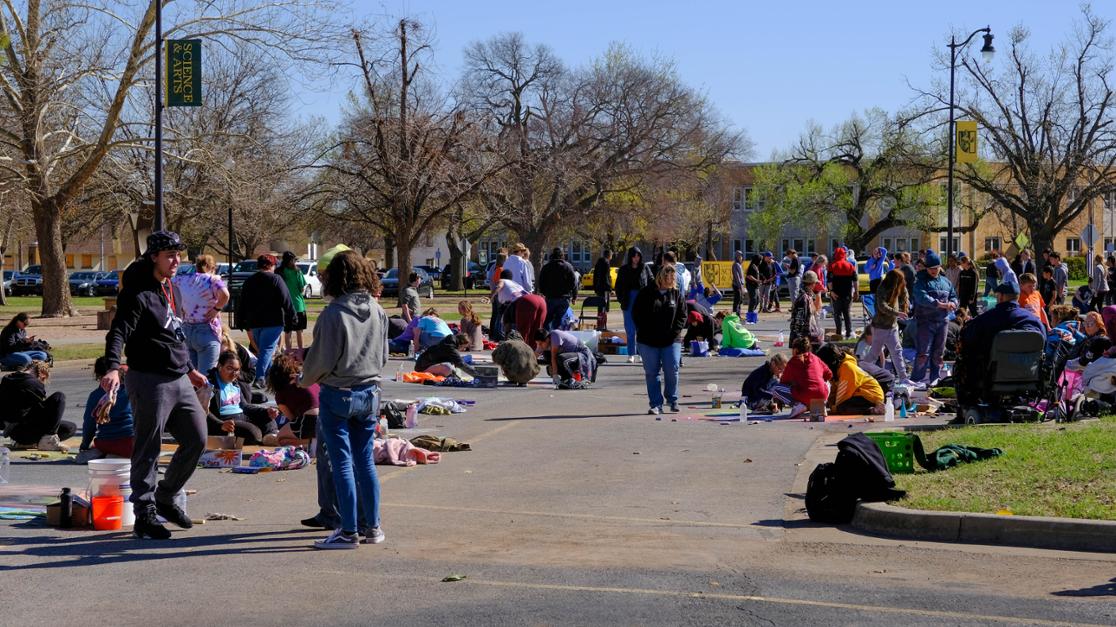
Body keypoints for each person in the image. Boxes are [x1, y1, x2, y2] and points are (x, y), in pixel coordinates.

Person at [102, 230, 208, 539]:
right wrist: (111, 367)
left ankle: (165, 496)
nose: (176, 261)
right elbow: (117, 332)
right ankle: (144, 514)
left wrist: (190, 369)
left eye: (179, 255)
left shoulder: (169, 288)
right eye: (169, 256)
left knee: (197, 439)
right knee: (149, 448)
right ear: (154, 257)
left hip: (178, 377)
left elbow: (173, 334)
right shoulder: (137, 294)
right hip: (150, 380)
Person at [300, 250, 388, 549]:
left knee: (342, 464)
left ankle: (348, 531)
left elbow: (321, 360)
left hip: (339, 393)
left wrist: (305, 379)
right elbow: (384, 355)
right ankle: (372, 527)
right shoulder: (377, 309)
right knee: (365, 462)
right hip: (370, 391)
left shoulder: (333, 313)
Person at [956, 282, 1044, 409]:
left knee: (964, 361)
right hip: (1029, 374)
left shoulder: (985, 319)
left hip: (991, 375)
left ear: (1001, 297)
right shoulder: (1034, 321)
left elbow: (966, 339)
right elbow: (1043, 345)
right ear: (1017, 297)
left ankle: (967, 406)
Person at [632, 265, 687, 414]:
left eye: (671, 278)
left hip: (671, 340)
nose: (669, 280)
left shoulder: (676, 295)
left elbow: (682, 316)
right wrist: (642, 330)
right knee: (652, 372)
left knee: (672, 368)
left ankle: (672, 398)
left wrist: (675, 332)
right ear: (660, 277)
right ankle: (656, 404)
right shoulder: (646, 293)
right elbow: (636, 313)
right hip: (648, 340)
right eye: (666, 277)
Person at [236, 254, 296, 386]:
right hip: (273, 321)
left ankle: (269, 377)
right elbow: (286, 300)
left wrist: (240, 319)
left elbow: (242, 302)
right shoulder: (276, 279)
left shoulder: (250, 280)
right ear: (271, 265)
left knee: (264, 351)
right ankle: (260, 377)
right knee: (267, 350)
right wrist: (292, 316)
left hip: (255, 322)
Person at [204, 351, 280, 446]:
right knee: (252, 432)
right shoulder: (209, 384)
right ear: (220, 366)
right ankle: (263, 438)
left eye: (237, 370)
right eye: (229, 368)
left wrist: (266, 411)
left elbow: (244, 406)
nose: (234, 373)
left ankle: (271, 437)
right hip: (225, 421)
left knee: (267, 418)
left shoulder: (235, 383)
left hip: (242, 416)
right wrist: (220, 425)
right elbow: (203, 410)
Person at [172, 255, 230, 374]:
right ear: (212, 267)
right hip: (207, 330)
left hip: (187, 329)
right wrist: (216, 309)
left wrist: (181, 307)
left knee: (191, 377)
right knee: (207, 378)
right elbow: (225, 295)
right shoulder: (213, 279)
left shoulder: (180, 280)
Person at [0, 360, 72, 451]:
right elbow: (44, 411)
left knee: (67, 426)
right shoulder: (34, 384)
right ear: (42, 374)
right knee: (59, 397)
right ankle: (48, 440)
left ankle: (27, 443)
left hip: (14, 434)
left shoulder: (6, 379)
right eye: (43, 380)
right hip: (27, 432)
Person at [911, 251, 958, 386]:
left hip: (942, 322)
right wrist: (941, 304)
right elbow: (922, 298)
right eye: (931, 268)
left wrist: (954, 303)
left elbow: (953, 296)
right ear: (926, 268)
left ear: (940, 267)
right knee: (923, 354)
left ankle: (935, 379)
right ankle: (916, 381)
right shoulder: (920, 282)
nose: (933, 271)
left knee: (938, 353)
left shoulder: (946, 282)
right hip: (925, 322)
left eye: (936, 268)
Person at [76, 358, 135, 463]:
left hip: (105, 443)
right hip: (131, 443)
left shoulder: (95, 395)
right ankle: (121, 456)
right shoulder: (131, 390)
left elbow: (89, 425)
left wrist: (84, 445)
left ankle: (107, 455)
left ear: (98, 376)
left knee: (90, 452)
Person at [864, 270, 910, 384]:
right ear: (894, 281)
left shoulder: (897, 288)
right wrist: (897, 313)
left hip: (892, 326)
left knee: (897, 352)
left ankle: (904, 378)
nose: (901, 283)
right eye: (899, 281)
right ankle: (861, 371)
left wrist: (905, 294)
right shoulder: (882, 289)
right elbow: (882, 306)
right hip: (881, 326)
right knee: (874, 353)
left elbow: (904, 294)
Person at [817, 344, 885, 415]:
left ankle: (874, 409)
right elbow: (834, 390)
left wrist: (834, 408)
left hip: (870, 395)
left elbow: (843, 393)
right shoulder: (838, 369)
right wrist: (829, 403)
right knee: (838, 406)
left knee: (842, 407)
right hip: (859, 394)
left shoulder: (847, 367)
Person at [267, 353, 318, 445]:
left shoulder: (281, 393)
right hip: (327, 418)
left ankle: (309, 441)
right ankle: (315, 439)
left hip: (310, 420)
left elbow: (292, 418)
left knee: (280, 439)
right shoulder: (308, 380)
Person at [614, 247, 654, 362]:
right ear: (630, 257)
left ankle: (641, 353)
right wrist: (621, 299)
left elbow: (651, 281)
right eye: (634, 256)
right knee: (630, 328)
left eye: (638, 256)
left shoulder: (645, 267)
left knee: (641, 328)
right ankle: (631, 354)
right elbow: (618, 286)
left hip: (642, 300)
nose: (636, 259)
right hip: (628, 300)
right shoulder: (624, 269)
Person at [492, 272, 547, 350]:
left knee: (522, 333)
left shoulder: (502, 280)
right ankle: (533, 354)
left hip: (525, 302)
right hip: (540, 300)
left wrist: (491, 296)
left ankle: (518, 354)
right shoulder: (515, 284)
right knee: (536, 332)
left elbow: (499, 286)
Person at [780, 336, 832, 418]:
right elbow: (829, 374)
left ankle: (800, 405)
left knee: (776, 388)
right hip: (821, 394)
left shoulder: (792, 361)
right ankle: (819, 406)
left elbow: (783, 381)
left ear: (796, 350)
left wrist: (794, 383)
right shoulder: (815, 358)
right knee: (827, 383)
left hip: (804, 396)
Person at [538, 247, 579, 331]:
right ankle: (558, 338)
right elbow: (574, 283)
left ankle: (546, 339)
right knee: (560, 320)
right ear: (562, 255)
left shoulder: (546, 267)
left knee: (547, 320)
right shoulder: (568, 266)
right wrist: (574, 296)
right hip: (564, 297)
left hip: (550, 297)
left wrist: (544, 292)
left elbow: (541, 282)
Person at [276, 251, 308, 351]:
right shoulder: (297, 271)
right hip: (298, 305)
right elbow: (302, 288)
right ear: (291, 260)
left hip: (285, 306)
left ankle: (288, 352)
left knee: (287, 332)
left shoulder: (279, 272)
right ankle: (300, 351)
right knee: (299, 331)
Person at [827, 247, 858, 340]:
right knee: (847, 313)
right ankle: (849, 333)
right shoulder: (850, 266)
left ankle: (839, 333)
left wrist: (831, 291)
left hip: (836, 294)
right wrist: (856, 291)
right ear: (844, 255)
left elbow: (829, 281)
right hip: (848, 294)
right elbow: (855, 280)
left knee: (837, 314)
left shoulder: (832, 266)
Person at [789, 270, 824, 346]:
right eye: (815, 283)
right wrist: (800, 340)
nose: (815, 285)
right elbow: (799, 321)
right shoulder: (803, 298)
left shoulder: (809, 296)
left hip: (807, 336)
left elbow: (815, 310)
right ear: (812, 284)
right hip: (803, 339)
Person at [488, 250, 509, 340]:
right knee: (499, 315)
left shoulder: (496, 268)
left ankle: (493, 333)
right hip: (499, 295)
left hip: (496, 294)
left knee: (496, 314)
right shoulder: (500, 270)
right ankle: (498, 334)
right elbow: (499, 283)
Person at [592, 249, 614, 314]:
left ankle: (599, 321)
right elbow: (606, 277)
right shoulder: (606, 263)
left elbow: (595, 276)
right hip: (604, 289)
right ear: (609, 255)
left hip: (598, 288)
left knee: (600, 306)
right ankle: (602, 322)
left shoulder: (598, 263)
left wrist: (595, 287)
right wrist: (610, 289)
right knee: (604, 306)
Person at [730, 250, 745, 316]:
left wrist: (742, 285)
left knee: (740, 300)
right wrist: (740, 286)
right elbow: (737, 277)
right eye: (740, 256)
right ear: (737, 256)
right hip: (737, 285)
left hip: (740, 285)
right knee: (737, 300)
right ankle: (734, 315)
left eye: (741, 256)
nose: (741, 257)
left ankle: (738, 314)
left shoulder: (739, 265)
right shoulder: (735, 265)